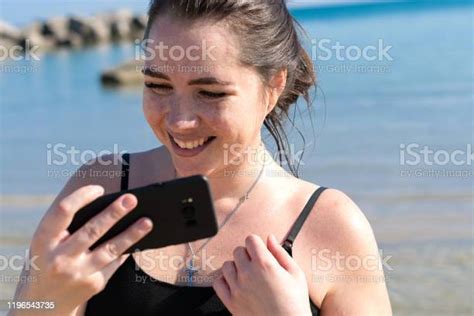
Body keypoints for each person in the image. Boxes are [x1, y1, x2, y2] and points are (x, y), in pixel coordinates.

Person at [11, 1, 392, 315]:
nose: (179, 120)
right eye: (158, 85)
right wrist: (41, 301)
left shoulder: (330, 226)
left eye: (209, 92)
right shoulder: (102, 188)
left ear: (274, 85)